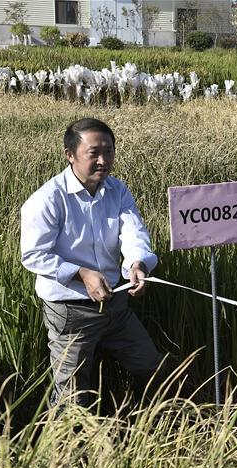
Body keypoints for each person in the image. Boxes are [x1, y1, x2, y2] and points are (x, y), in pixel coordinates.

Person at [20, 118, 162, 410]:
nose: (103, 160)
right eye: (94, 153)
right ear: (70, 155)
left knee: (149, 366)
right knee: (71, 397)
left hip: (115, 305)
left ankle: (140, 424)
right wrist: (81, 273)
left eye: (109, 151)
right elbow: (33, 255)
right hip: (71, 313)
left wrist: (137, 265)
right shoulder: (48, 199)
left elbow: (133, 232)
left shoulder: (118, 191)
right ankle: (64, 451)